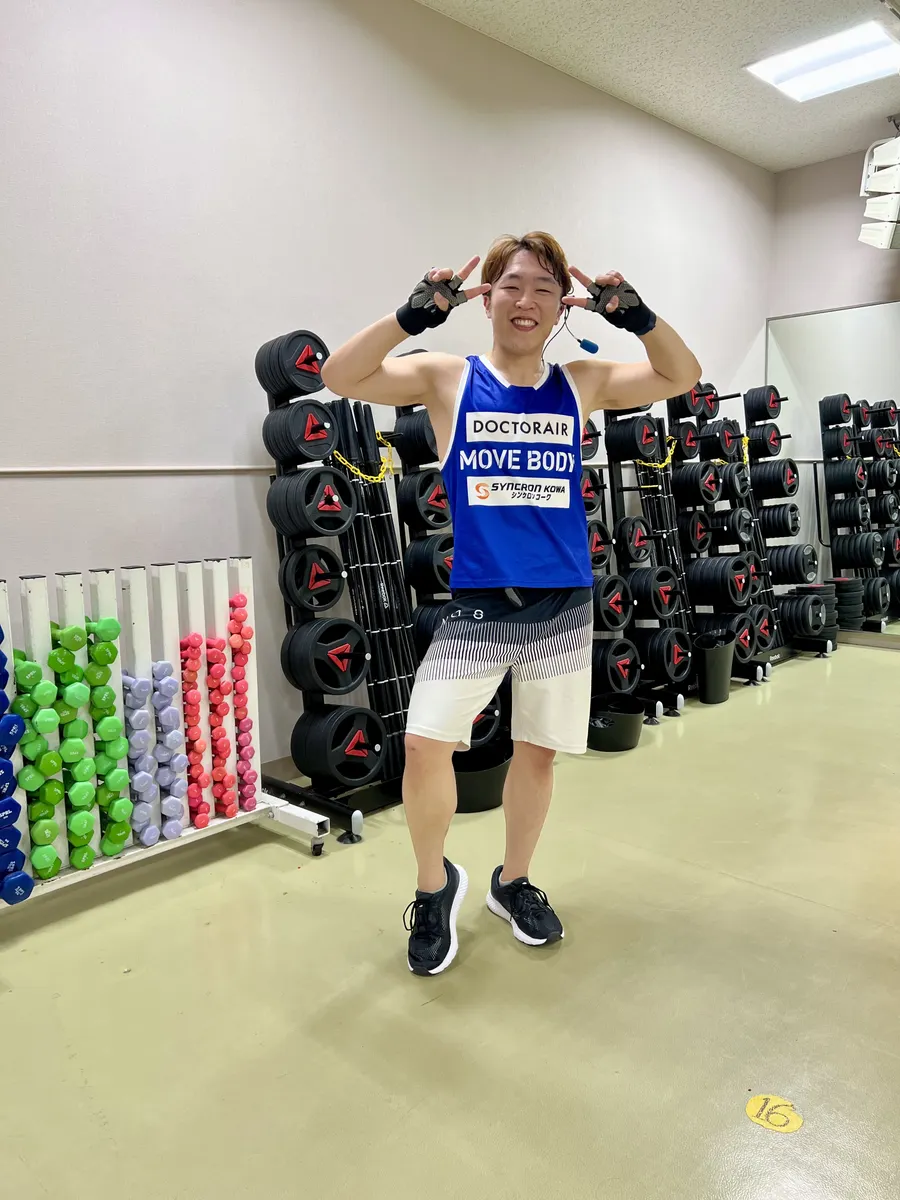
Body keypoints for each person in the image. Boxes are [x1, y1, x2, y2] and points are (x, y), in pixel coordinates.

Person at [321, 232, 701, 976]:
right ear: (485, 298)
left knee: (537, 751)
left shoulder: (582, 381)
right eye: (512, 286)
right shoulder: (447, 377)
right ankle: (434, 888)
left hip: (562, 602)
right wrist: (411, 316)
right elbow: (341, 374)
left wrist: (636, 316)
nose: (527, 301)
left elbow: (680, 374)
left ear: (563, 306)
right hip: (479, 603)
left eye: (544, 289)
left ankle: (513, 881)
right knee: (426, 743)